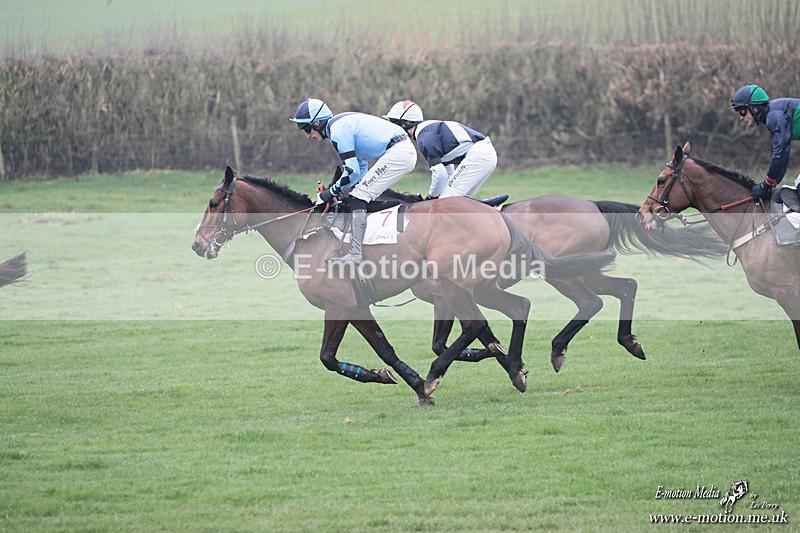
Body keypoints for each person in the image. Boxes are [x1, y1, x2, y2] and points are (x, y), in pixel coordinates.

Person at [290, 98, 417, 263]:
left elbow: (351, 171)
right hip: (400, 151)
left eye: (307, 129)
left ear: (318, 123)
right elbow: (359, 171)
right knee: (359, 194)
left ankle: (356, 254)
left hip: (398, 153)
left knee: (359, 196)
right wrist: (339, 192)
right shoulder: (339, 127)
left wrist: (329, 193)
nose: (307, 135)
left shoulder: (338, 131)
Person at [383, 100, 497, 200]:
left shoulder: (424, 138)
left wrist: (430, 197)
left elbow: (440, 175)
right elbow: (447, 171)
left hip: (479, 155)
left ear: (406, 122)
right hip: (485, 154)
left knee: (445, 203)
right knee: (459, 202)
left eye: (393, 122)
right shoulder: (427, 130)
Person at [729, 84, 800, 200]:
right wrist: (771, 183)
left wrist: (766, 185)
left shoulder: (774, 116)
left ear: (755, 108)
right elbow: (783, 155)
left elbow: (780, 154)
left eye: (741, 111)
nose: (741, 117)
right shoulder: (773, 113)